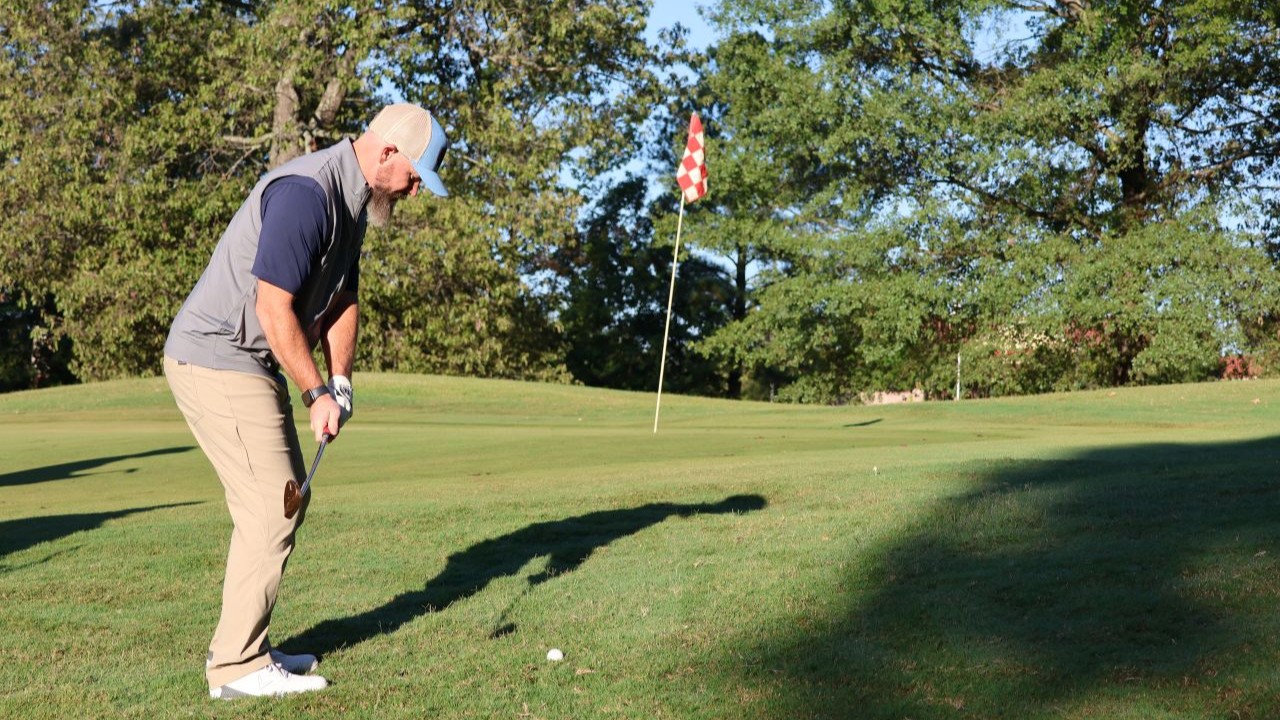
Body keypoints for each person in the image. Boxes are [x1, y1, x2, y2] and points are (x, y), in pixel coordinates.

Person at [163, 103, 450, 699]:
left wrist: (340, 381)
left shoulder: (354, 205)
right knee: (272, 504)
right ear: (388, 152)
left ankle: (246, 648)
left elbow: (343, 297)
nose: (417, 190)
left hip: (252, 360)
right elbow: (273, 308)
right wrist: (314, 391)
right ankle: (236, 671)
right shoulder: (306, 193)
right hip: (217, 355)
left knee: (284, 502)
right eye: (417, 175)